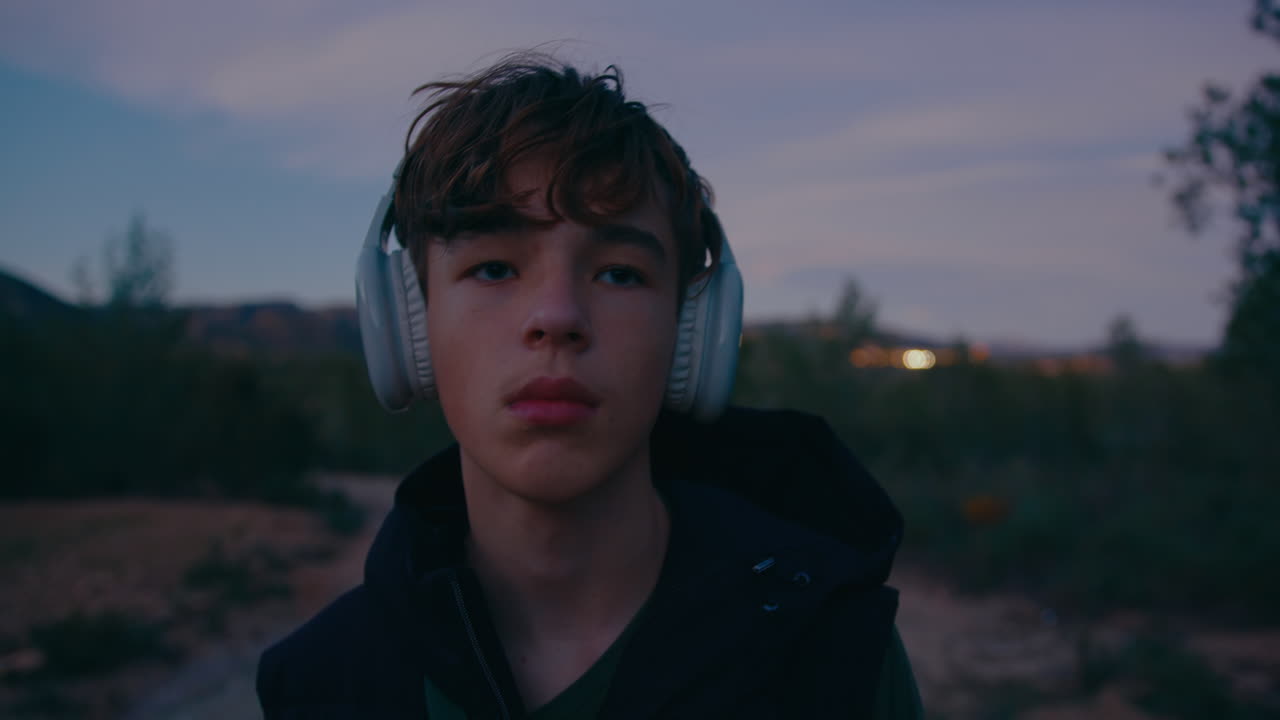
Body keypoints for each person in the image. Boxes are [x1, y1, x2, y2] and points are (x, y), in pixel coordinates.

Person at [257, 53, 923, 719]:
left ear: (692, 333)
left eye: (619, 274)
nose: (557, 318)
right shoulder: (321, 683)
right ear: (409, 323)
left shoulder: (839, 659)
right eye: (493, 268)